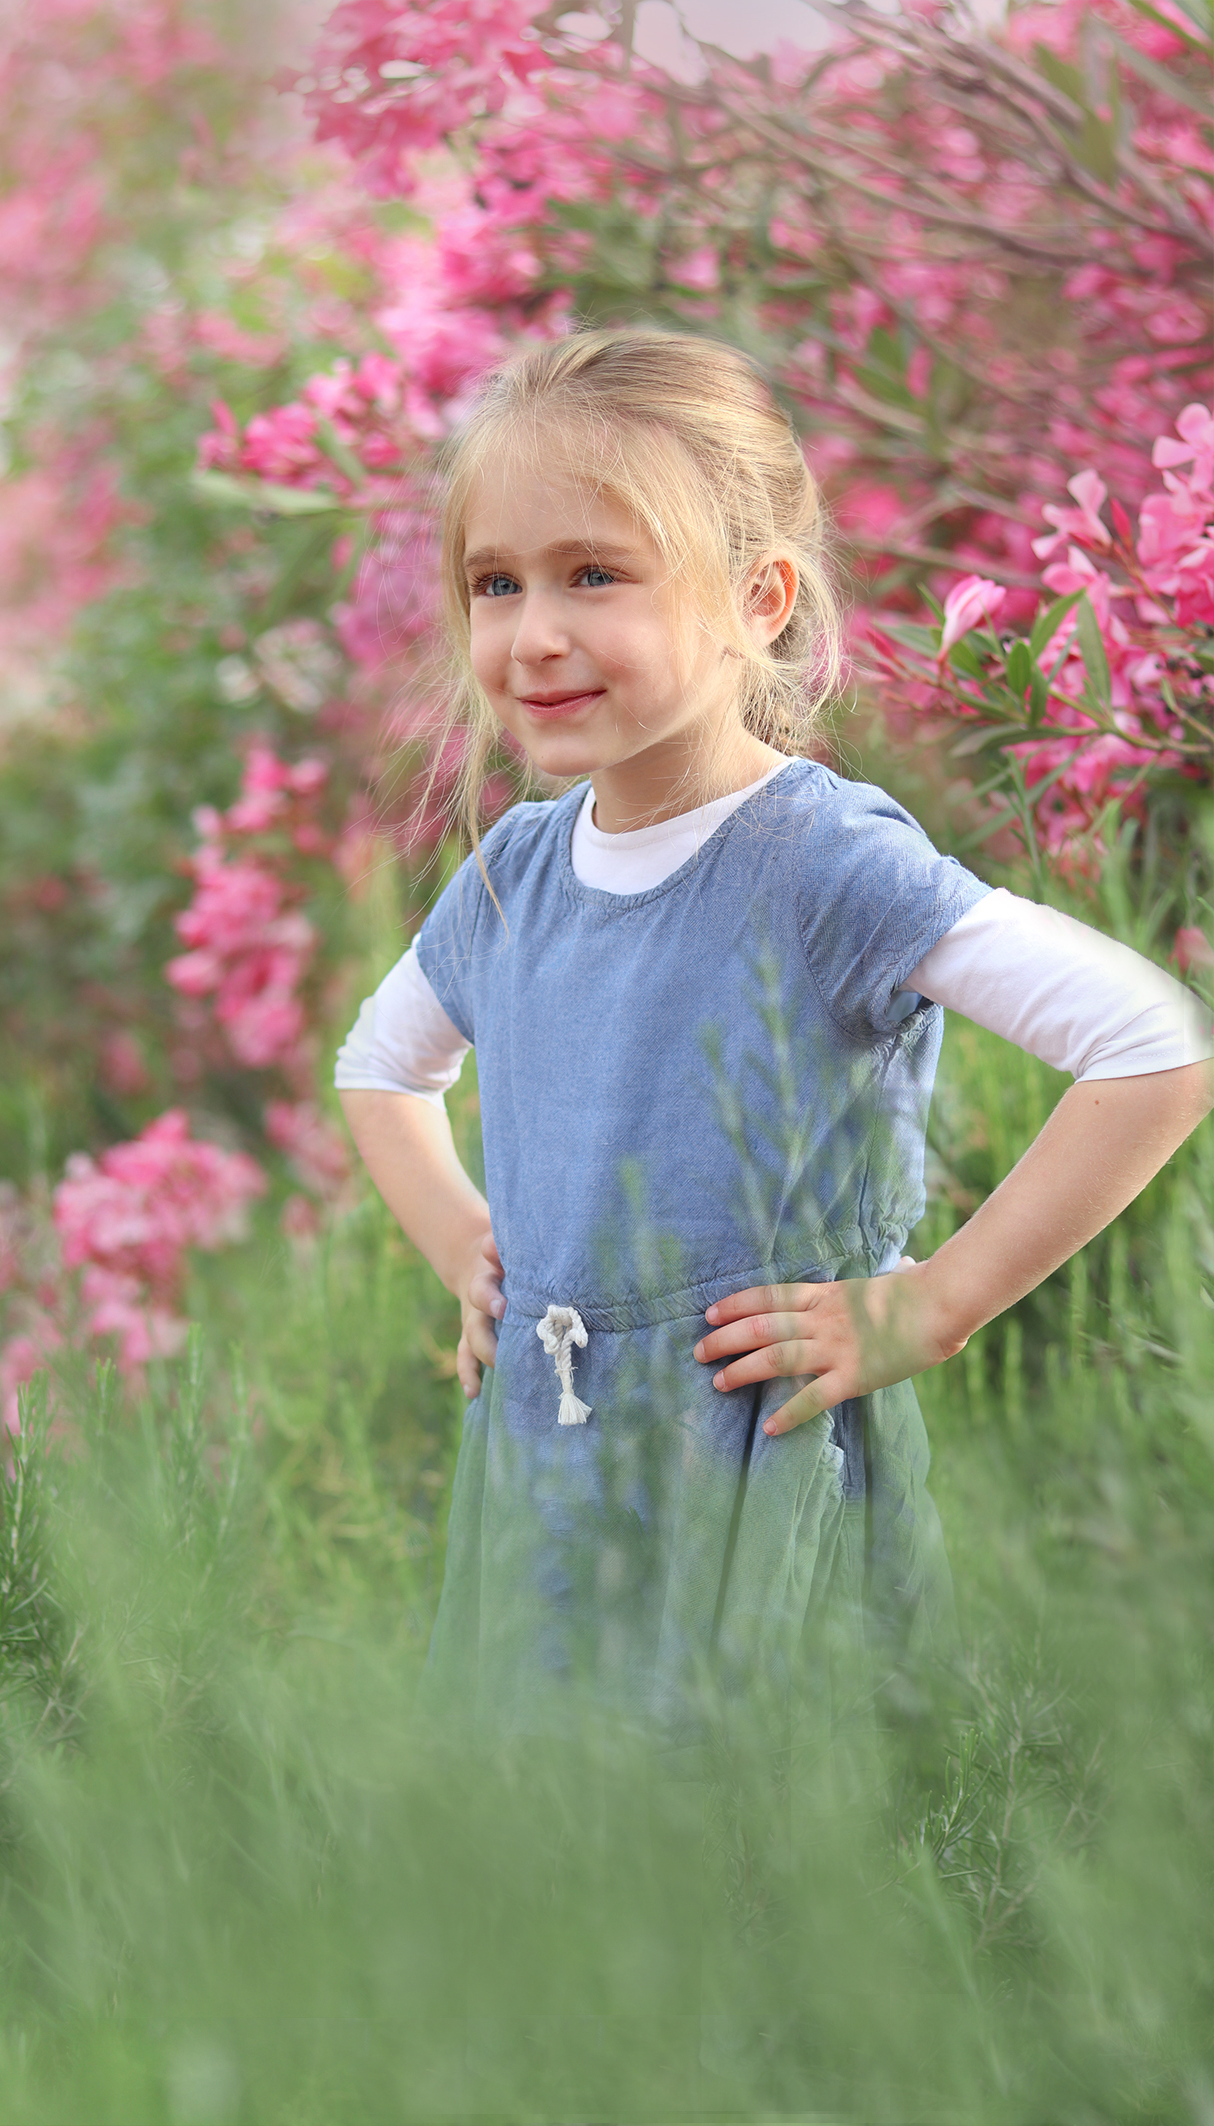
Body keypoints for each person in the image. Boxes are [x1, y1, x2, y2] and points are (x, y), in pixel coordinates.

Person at [335, 329, 1212, 1730]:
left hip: (758, 1465)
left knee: (765, 1859)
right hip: (554, 1469)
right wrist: (471, 1249)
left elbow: (1155, 1044)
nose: (533, 632)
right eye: (495, 583)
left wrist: (928, 1302)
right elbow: (382, 1067)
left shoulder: (818, 861)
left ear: (757, 598)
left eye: (595, 574)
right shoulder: (515, 875)